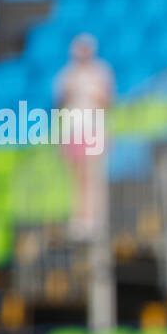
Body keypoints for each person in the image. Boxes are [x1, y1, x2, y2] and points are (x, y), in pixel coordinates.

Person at [52, 33, 114, 239]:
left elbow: (107, 101)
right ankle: (80, 219)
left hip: (93, 130)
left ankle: (95, 219)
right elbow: (61, 102)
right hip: (74, 130)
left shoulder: (101, 72)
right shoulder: (67, 75)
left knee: (93, 175)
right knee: (78, 177)